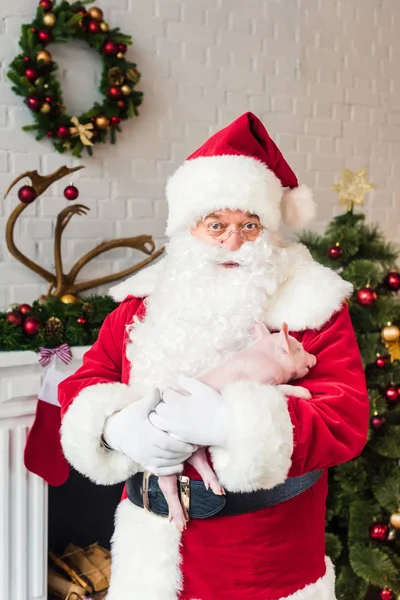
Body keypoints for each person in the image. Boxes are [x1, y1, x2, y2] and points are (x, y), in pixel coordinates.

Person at [58, 112, 369, 600]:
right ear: (188, 229)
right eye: (216, 224)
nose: (233, 241)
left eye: (250, 225)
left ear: (270, 231)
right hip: (148, 556)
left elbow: (345, 417)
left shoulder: (312, 305)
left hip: (262, 558)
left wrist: (230, 423)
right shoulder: (143, 303)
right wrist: (116, 426)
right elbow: (87, 380)